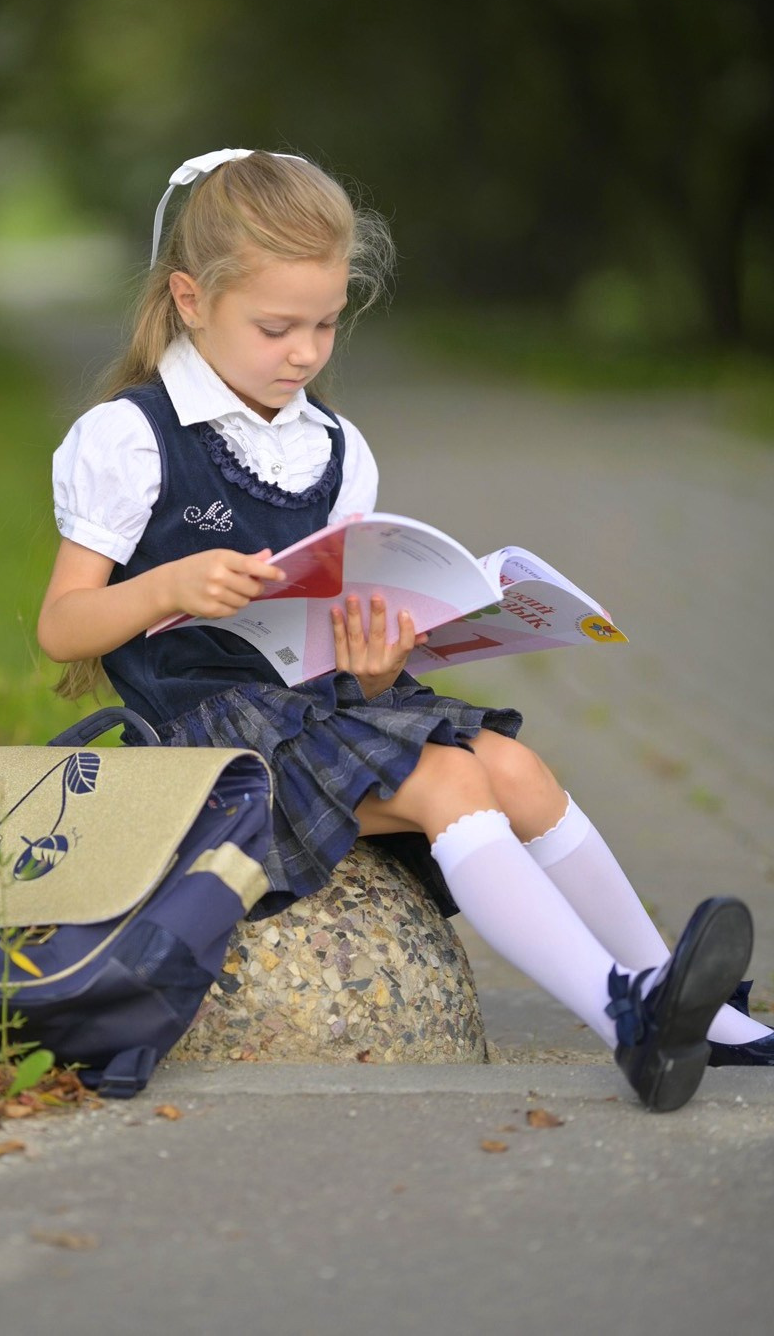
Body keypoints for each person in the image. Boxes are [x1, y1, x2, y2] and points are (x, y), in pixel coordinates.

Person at [38, 147, 772, 1109]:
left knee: (518, 769)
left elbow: (341, 652)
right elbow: (63, 626)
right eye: (276, 327)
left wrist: (379, 666)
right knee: (455, 779)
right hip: (209, 744)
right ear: (189, 298)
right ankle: (624, 1018)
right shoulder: (132, 436)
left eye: (327, 324)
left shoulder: (333, 447)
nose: (305, 353)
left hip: (316, 713)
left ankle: (682, 998)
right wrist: (166, 584)